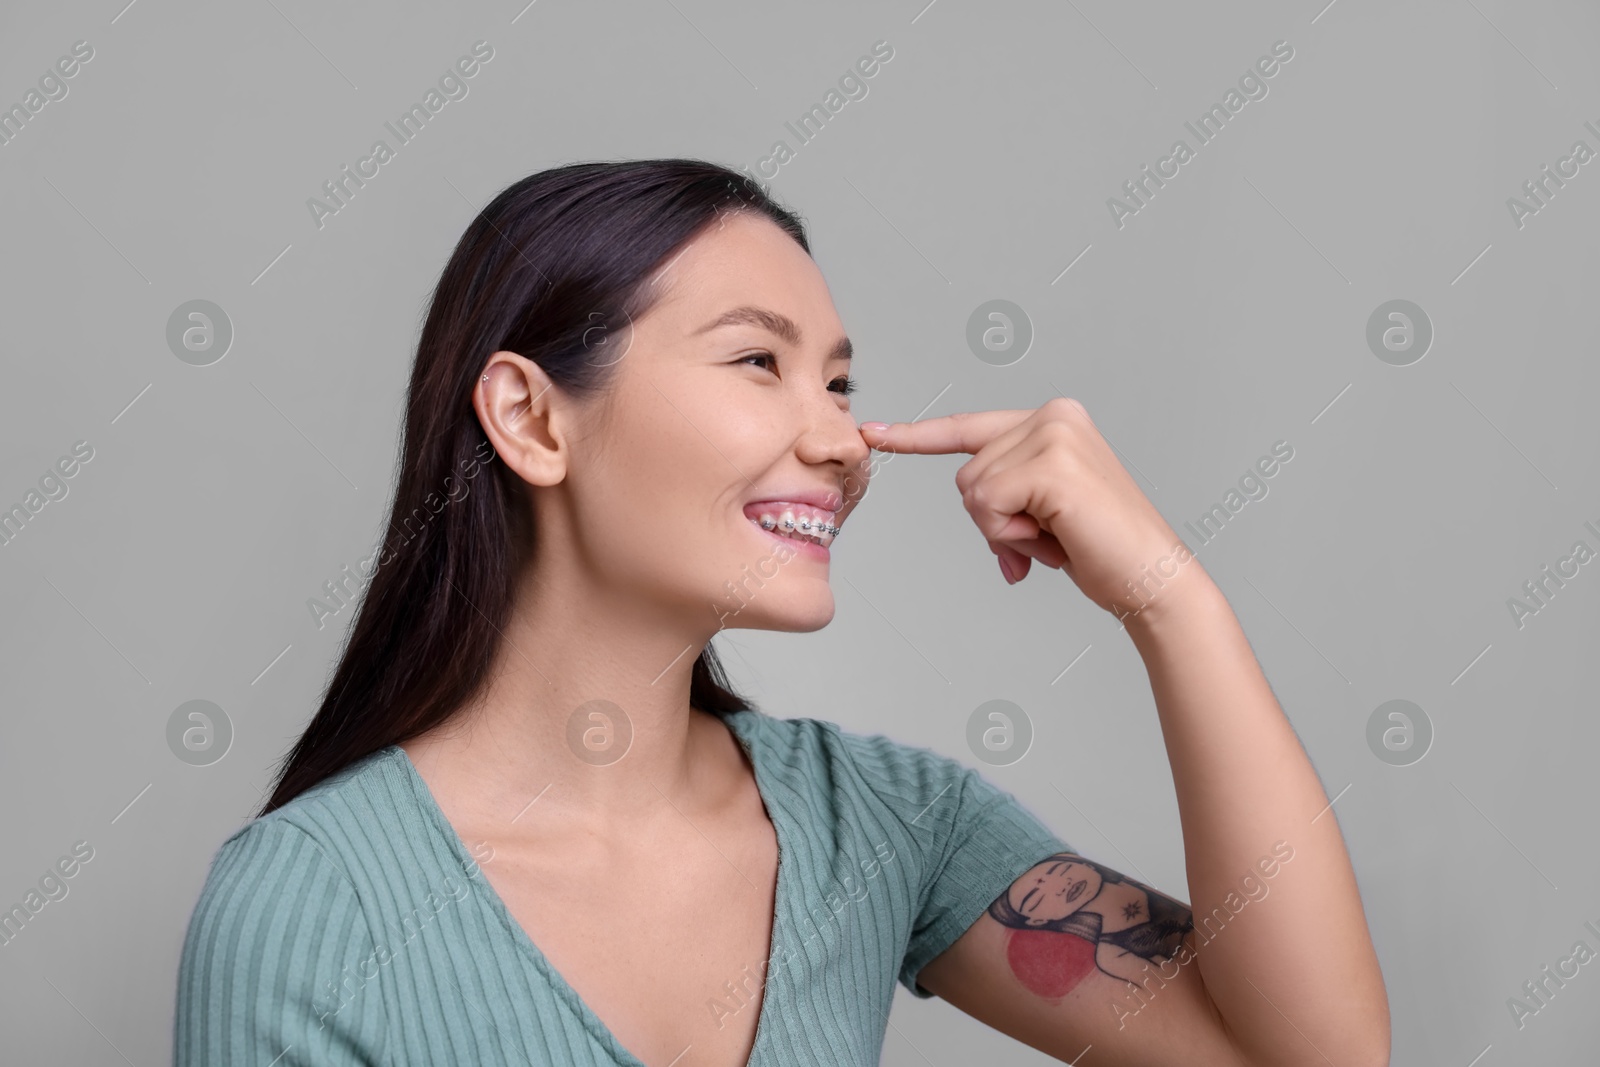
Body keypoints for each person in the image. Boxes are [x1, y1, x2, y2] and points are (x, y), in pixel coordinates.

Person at [173, 159, 1389, 1066]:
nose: (840, 440)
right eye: (758, 361)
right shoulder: (312, 906)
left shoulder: (885, 827)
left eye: (843, 381)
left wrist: (1171, 601)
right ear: (534, 420)